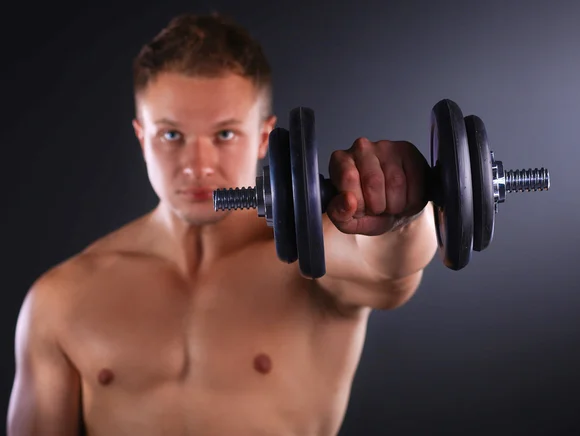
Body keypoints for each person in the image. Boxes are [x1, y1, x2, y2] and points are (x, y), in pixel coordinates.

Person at [7, 12, 439, 436]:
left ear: (264, 138)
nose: (197, 166)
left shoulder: (314, 260)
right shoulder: (60, 300)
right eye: (171, 135)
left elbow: (391, 270)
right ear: (143, 138)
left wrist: (401, 215)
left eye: (225, 134)